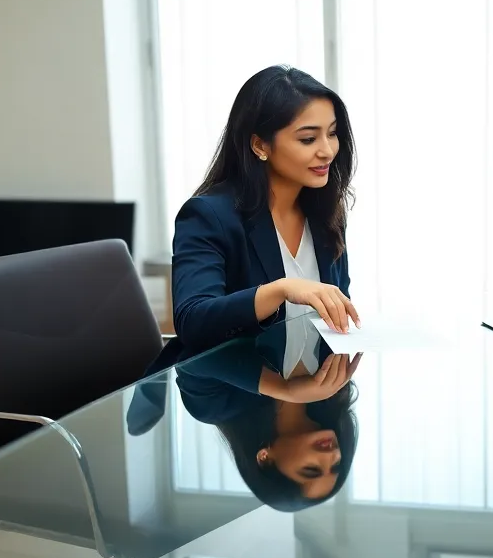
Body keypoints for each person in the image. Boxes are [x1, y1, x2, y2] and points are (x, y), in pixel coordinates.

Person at [154, 65, 362, 371]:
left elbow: (335, 312)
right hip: (228, 387)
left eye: (332, 134)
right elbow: (193, 320)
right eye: (308, 139)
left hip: (313, 385)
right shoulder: (208, 215)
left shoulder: (326, 211)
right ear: (260, 145)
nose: (327, 151)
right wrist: (281, 289)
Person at [175, 321, 361, 510]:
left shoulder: (213, 407)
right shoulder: (333, 386)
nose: (330, 456)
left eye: (311, 469)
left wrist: (284, 390)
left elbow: (190, 358)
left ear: (265, 458)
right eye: (336, 465)